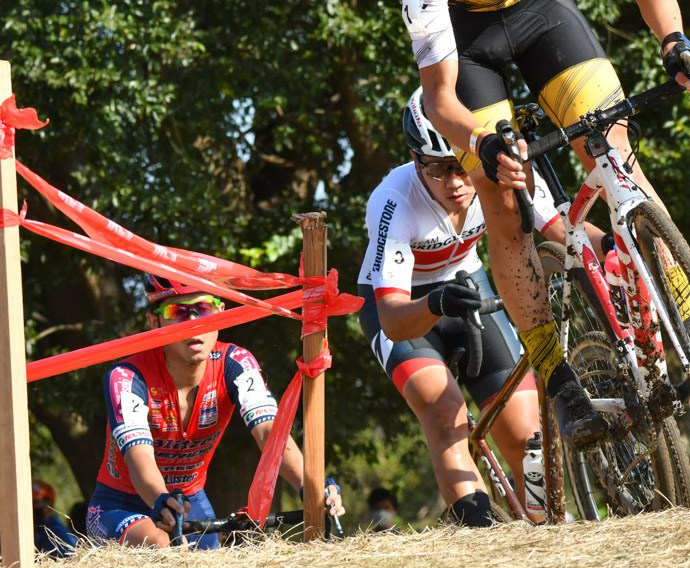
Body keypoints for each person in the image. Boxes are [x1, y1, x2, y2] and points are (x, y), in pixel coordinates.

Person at [398, 0, 690, 449]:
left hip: (544, 11)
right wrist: (483, 145)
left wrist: (678, 45)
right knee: (503, 201)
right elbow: (438, 98)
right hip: (472, 48)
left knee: (613, 150)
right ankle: (560, 381)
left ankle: (689, 315)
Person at [357, 88, 598, 526]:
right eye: (438, 170)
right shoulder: (392, 200)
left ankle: (547, 535)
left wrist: (624, 244)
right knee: (444, 413)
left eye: (462, 167)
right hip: (405, 306)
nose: (455, 183)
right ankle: (481, 535)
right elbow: (392, 320)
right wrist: (435, 302)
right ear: (415, 161)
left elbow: (566, 231)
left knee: (527, 437)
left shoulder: (500, 166)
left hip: (468, 287)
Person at [86, 274, 345, 549]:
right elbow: (139, 459)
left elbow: (270, 433)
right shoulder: (126, 377)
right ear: (154, 323)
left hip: (191, 501)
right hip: (121, 505)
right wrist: (162, 500)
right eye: (177, 311)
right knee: (165, 548)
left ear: (221, 314)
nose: (193, 322)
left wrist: (310, 486)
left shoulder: (236, 362)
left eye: (204, 308)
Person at [32, 479, 77, 558]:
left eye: (35, 502)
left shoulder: (58, 535)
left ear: (49, 503)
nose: (32, 507)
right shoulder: (35, 531)